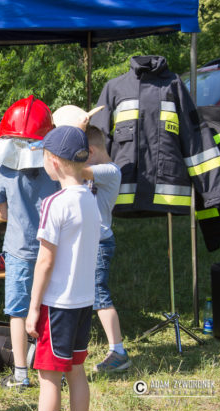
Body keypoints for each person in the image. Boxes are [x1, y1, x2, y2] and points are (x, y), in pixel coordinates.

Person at [25, 126, 100, 411]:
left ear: (53, 161)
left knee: (49, 378)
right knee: (76, 371)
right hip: (83, 301)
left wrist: (33, 308)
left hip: (57, 304)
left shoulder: (54, 203)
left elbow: (45, 261)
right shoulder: (91, 198)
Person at [0, 97, 58, 389]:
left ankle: (20, 374)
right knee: (50, 309)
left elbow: (2, 213)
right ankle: (53, 368)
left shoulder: (2, 169)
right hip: (52, 249)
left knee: (17, 312)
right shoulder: (55, 167)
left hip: (18, 250)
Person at [82, 125, 130, 372]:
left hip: (99, 243)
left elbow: (73, 169)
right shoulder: (94, 169)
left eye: (80, 154)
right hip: (88, 242)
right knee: (88, 295)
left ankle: (118, 351)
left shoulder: (110, 171)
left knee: (99, 294)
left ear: (90, 151)